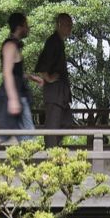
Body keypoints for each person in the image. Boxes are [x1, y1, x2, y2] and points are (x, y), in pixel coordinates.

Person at [0, 12, 42, 151]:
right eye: (26, 25)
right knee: (17, 135)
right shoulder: (10, 46)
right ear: (20, 26)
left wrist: (32, 77)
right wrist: (14, 100)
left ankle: (30, 167)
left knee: (23, 136)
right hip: (14, 97)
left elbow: (16, 73)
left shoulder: (14, 45)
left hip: (19, 97)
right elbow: (7, 73)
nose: (28, 28)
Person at [34, 13, 74, 148]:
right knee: (52, 125)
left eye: (71, 24)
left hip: (61, 92)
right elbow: (42, 65)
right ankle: (50, 156)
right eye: (67, 24)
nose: (70, 27)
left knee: (67, 121)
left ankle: (54, 148)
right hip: (54, 92)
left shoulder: (59, 42)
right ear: (59, 25)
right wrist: (48, 78)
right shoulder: (52, 41)